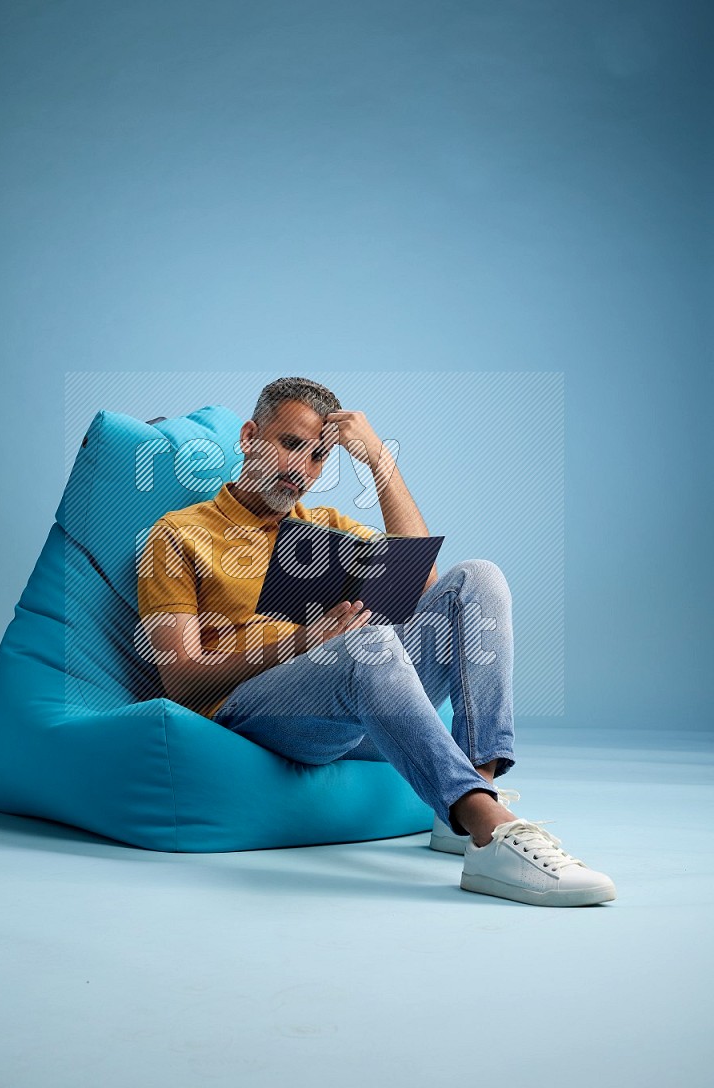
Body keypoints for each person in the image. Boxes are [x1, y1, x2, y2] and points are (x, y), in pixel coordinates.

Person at [137, 376, 616, 907]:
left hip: (353, 703)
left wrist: (379, 463)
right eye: (290, 444)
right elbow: (178, 678)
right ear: (250, 436)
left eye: (319, 457)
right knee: (369, 646)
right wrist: (301, 645)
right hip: (250, 715)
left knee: (477, 579)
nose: (301, 469)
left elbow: (428, 585)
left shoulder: (322, 527)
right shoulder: (178, 532)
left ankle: (467, 801)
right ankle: (490, 828)